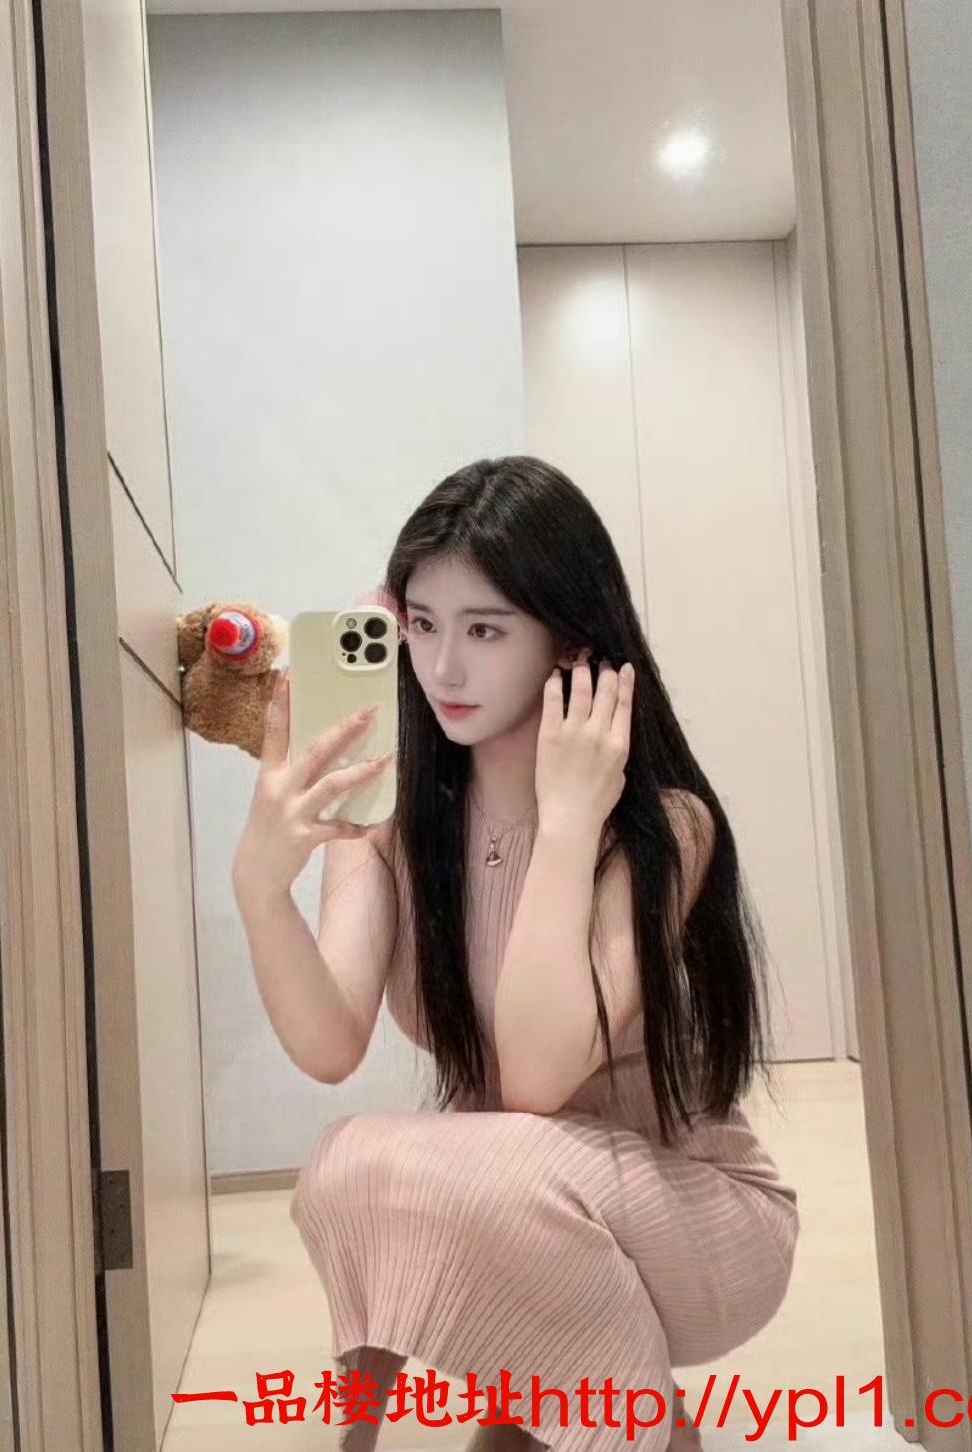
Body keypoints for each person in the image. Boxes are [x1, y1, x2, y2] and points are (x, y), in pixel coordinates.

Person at [231, 455, 799, 1452]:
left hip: (693, 1221)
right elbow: (328, 1044)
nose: (443, 669)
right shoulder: (392, 819)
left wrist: (569, 824)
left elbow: (536, 1080)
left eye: (485, 630)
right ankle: (545, 1419)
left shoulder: (664, 828)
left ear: (567, 641)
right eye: (421, 625)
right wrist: (261, 883)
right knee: (343, 1168)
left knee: (487, 1171)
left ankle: (636, 1432)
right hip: (520, 1202)